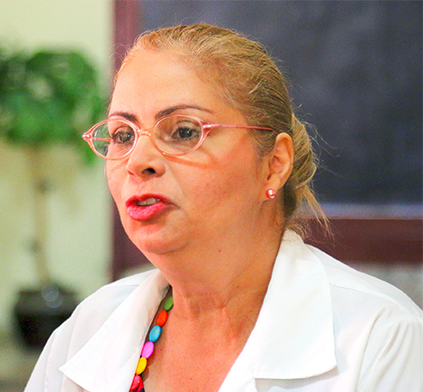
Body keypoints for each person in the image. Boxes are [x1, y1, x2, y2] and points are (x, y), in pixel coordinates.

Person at [25, 23, 423, 392]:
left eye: (184, 131)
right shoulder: (88, 328)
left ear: (273, 165)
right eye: (122, 135)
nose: (137, 160)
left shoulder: (381, 337)